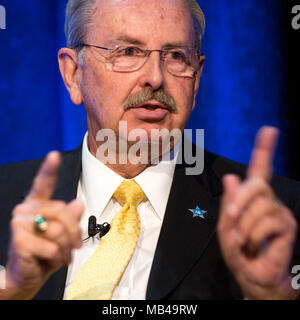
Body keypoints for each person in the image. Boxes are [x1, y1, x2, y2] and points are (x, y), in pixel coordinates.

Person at [0, 0, 299, 300]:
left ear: (196, 80)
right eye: (128, 51)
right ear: (73, 73)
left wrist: (272, 294)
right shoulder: (6, 202)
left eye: (176, 56)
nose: (155, 77)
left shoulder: (277, 218)